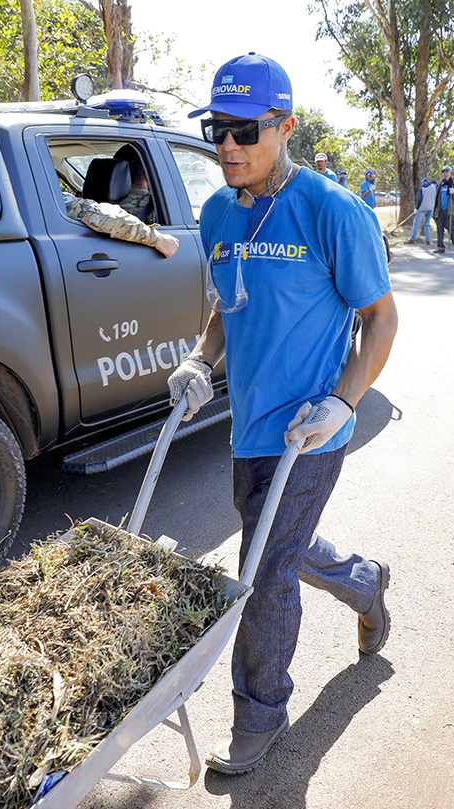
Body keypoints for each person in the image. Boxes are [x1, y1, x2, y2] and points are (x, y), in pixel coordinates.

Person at [171, 51, 398, 775]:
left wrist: (342, 402)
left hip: (309, 430)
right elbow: (225, 306)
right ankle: (363, 581)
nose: (228, 147)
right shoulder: (215, 213)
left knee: (263, 569)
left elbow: (380, 318)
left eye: (245, 131)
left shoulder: (333, 209)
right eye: (218, 131)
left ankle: (260, 712)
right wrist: (198, 361)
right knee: (279, 545)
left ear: (285, 125)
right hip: (248, 429)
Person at [64, 144, 179, 257]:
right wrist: (157, 239)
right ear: (147, 177)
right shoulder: (159, 204)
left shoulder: (61, 206)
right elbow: (98, 214)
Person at [433, 165, 454, 252]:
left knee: (450, 227)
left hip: (449, 210)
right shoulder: (441, 185)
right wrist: (435, 210)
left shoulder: (453, 185)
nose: (445, 175)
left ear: (450, 174)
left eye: (447, 173)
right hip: (441, 210)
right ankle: (440, 247)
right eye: (444, 173)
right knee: (439, 228)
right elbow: (437, 198)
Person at [406, 176, 434, 244]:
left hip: (422, 208)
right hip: (430, 208)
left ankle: (412, 239)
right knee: (427, 224)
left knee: (416, 223)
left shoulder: (422, 187)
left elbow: (419, 198)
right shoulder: (433, 187)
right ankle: (428, 240)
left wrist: (417, 208)